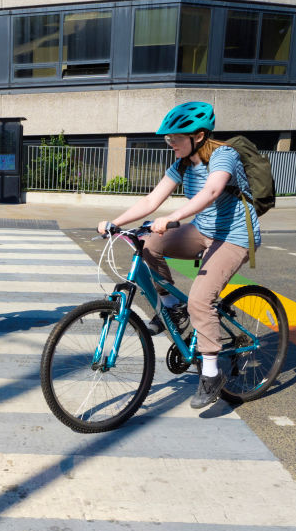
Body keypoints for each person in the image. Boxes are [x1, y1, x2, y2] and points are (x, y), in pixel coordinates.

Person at [97, 101, 261, 410]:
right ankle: (172, 306)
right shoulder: (182, 164)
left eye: (176, 137)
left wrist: (174, 217)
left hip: (234, 237)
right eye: (167, 138)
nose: (170, 143)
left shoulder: (224, 156)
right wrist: (116, 223)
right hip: (202, 230)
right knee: (147, 243)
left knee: (201, 300)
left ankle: (211, 374)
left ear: (198, 136)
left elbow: (211, 191)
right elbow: (152, 199)